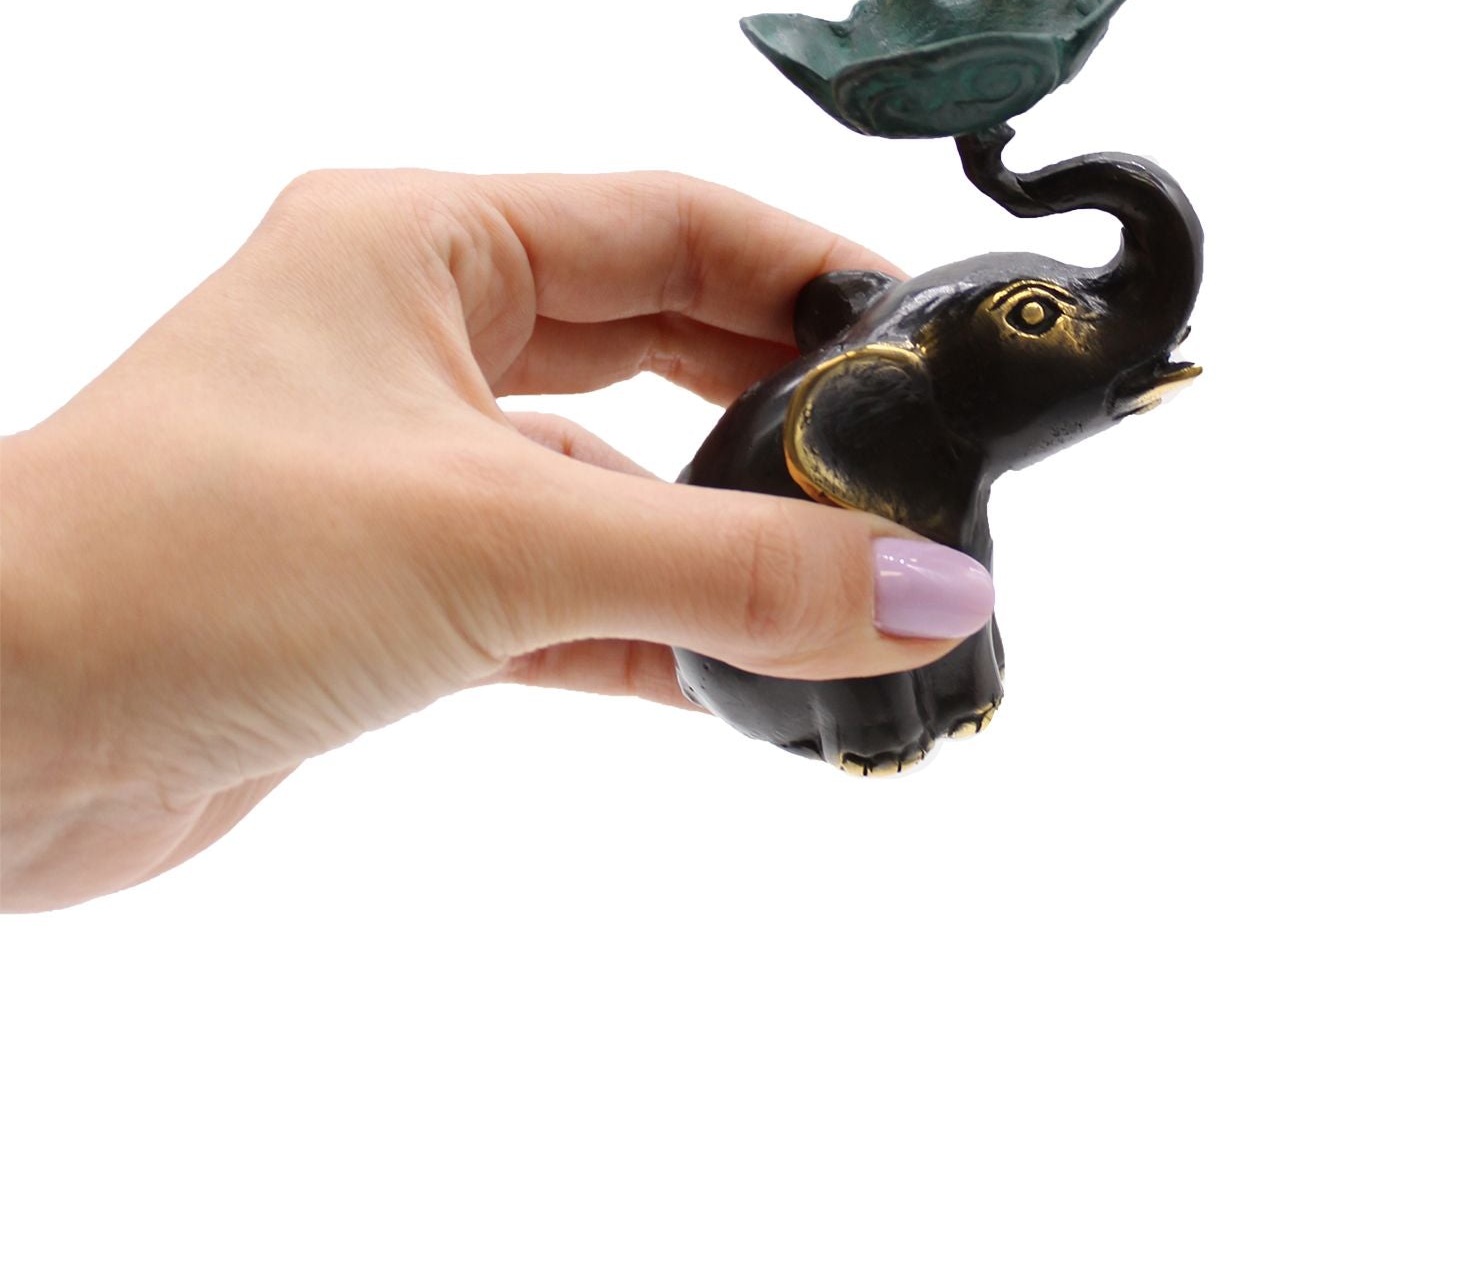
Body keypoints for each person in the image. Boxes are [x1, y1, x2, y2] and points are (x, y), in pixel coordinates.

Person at [0, 169, 995, 912]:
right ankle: (895, 711)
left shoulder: (908, 440)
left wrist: (62, 743)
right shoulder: (858, 421)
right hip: (758, 674)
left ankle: (946, 692)